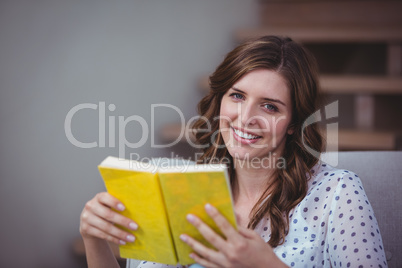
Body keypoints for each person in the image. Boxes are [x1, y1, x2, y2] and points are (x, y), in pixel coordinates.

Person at [79, 36, 388, 268]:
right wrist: (94, 240)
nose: (245, 118)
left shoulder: (337, 193)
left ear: (294, 123)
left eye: (269, 106)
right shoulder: (182, 190)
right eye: (237, 96)